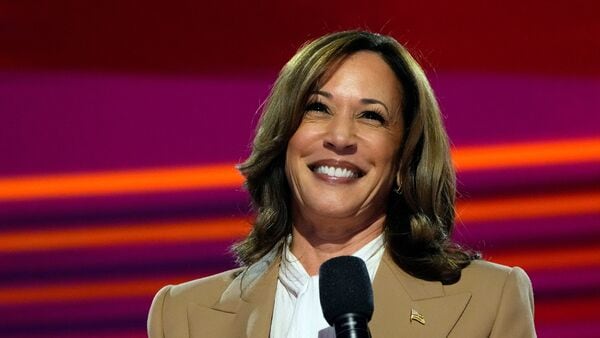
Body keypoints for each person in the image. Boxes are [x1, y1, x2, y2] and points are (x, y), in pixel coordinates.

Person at [147, 30, 536, 338]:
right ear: (284, 138)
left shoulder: (490, 300)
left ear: (404, 158)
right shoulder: (182, 316)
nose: (340, 137)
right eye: (318, 108)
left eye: (371, 116)